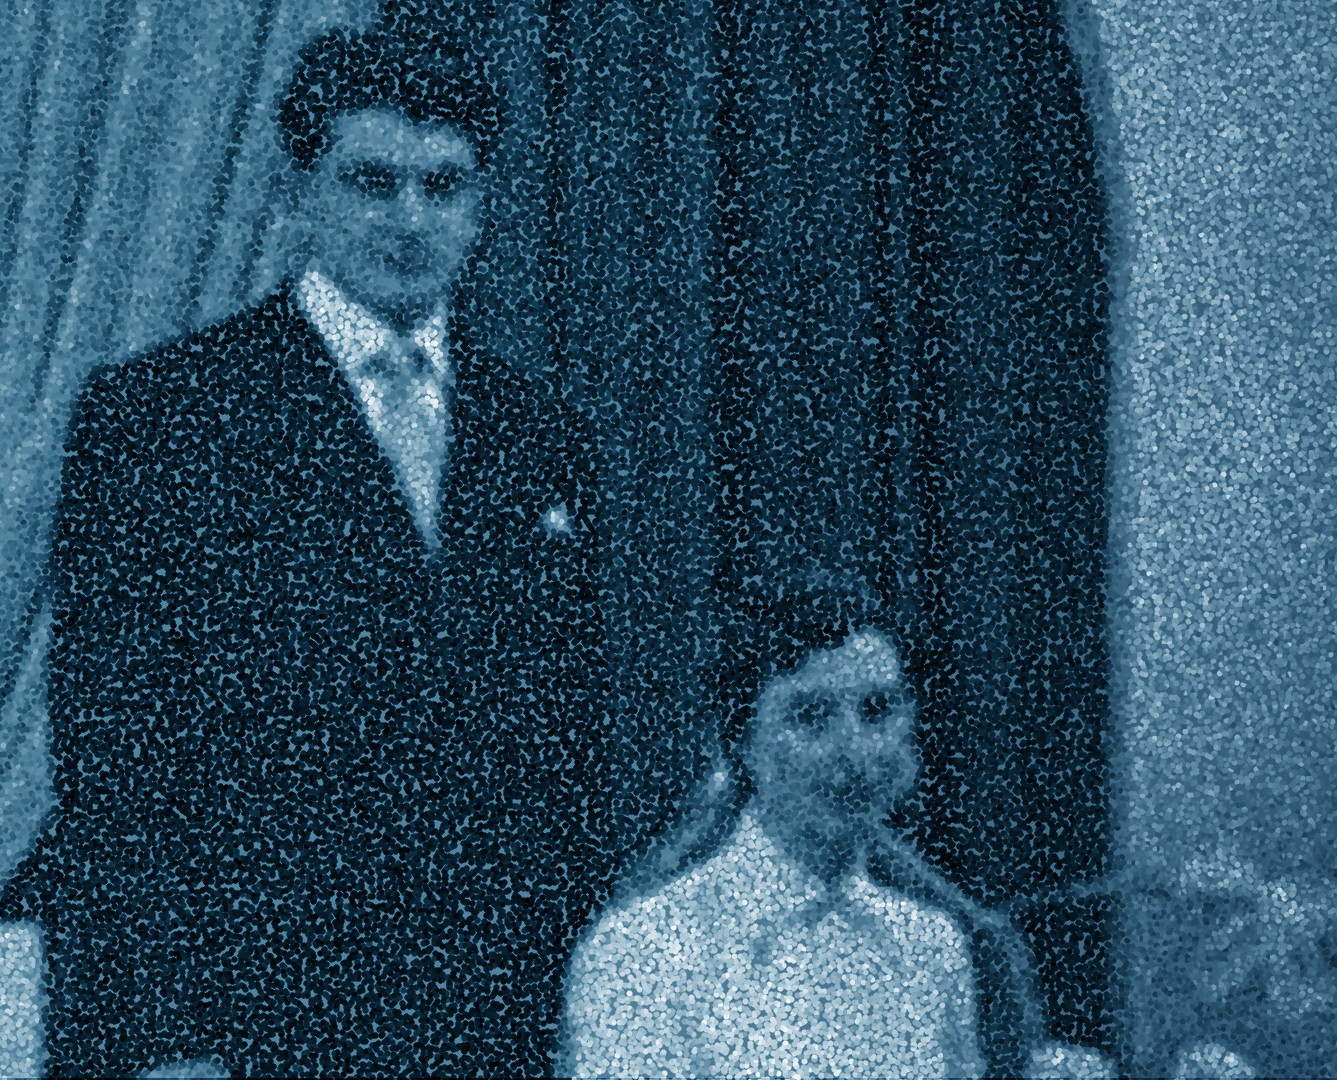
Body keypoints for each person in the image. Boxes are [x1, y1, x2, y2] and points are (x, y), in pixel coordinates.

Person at [0, 28, 612, 1078]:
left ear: (480, 207)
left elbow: (563, 760)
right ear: (298, 194)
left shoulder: (540, 436)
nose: (409, 218)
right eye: (372, 182)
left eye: (442, 186)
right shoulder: (163, 418)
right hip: (244, 1025)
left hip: (482, 1028)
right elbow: (118, 764)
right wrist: (164, 1043)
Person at [560, 585, 1000, 1078]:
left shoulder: (930, 947)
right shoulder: (643, 952)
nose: (854, 751)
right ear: (743, 741)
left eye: (877, 710)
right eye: (811, 717)